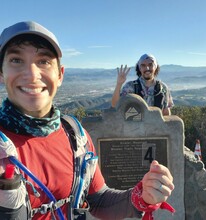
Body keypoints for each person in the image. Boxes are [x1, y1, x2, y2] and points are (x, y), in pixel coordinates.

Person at [0, 21, 175, 220]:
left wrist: (141, 197)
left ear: (60, 75)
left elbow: (98, 200)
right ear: (1, 73)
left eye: (44, 61)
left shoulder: (74, 135)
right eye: (16, 60)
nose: (32, 74)